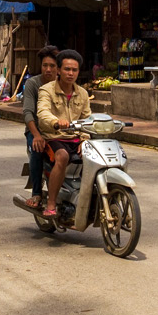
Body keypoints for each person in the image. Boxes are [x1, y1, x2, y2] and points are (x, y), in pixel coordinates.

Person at [36, 48, 91, 221]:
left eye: (74, 70)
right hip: (53, 137)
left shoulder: (83, 93)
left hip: (75, 137)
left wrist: (85, 139)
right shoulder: (46, 90)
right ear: (59, 70)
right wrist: (55, 122)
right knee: (62, 156)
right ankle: (52, 203)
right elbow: (42, 113)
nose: (70, 73)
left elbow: (87, 119)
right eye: (67, 69)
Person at [20, 45, 59, 210]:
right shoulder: (32, 84)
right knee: (37, 149)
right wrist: (36, 135)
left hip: (58, 130)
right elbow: (28, 112)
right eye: (45, 65)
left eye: (52, 66)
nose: (48, 69)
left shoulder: (64, 84)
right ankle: (36, 192)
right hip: (36, 130)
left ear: (58, 68)